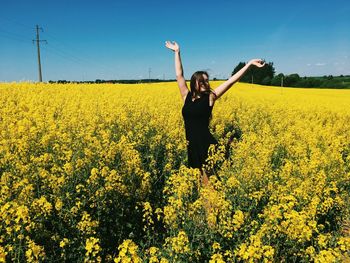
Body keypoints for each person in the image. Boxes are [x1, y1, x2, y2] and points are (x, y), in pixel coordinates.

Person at [165, 40, 265, 185]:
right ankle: (207, 207)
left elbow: (230, 82)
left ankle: (213, 208)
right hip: (192, 145)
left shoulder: (210, 97)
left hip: (205, 145)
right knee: (198, 182)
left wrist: (249, 64)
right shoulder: (186, 96)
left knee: (208, 184)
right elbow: (179, 75)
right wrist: (177, 52)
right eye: (202, 81)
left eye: (207, 81)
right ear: (195, 84)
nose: (206, 84)